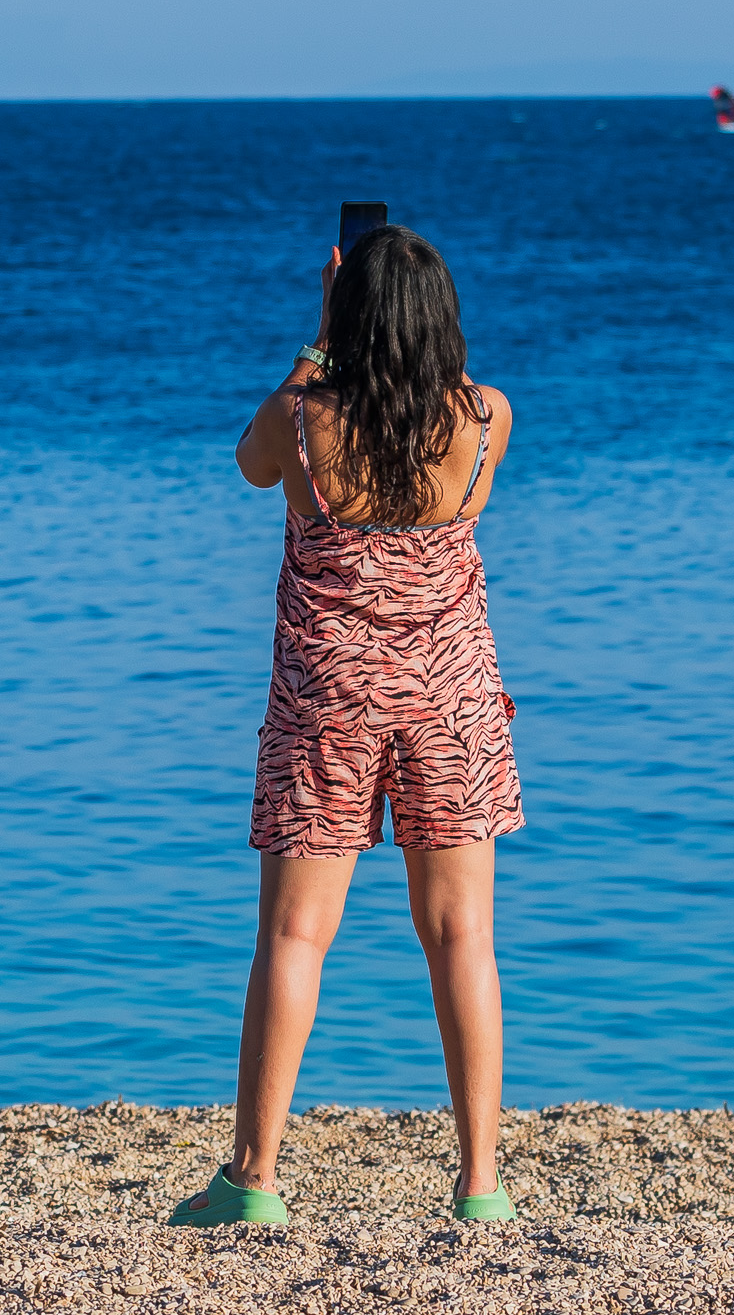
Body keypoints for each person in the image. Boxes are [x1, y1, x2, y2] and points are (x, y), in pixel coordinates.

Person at [175, 221, 522, 1229]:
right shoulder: (486, 417)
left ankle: (254, 1177)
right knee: (463, 934)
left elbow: (249, 465)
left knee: (294, 933)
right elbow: (444, 442)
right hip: (450, 699)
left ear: (348, 313)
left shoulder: (302, 417)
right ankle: (480, 1183)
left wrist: (317, 340)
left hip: (328, 700)